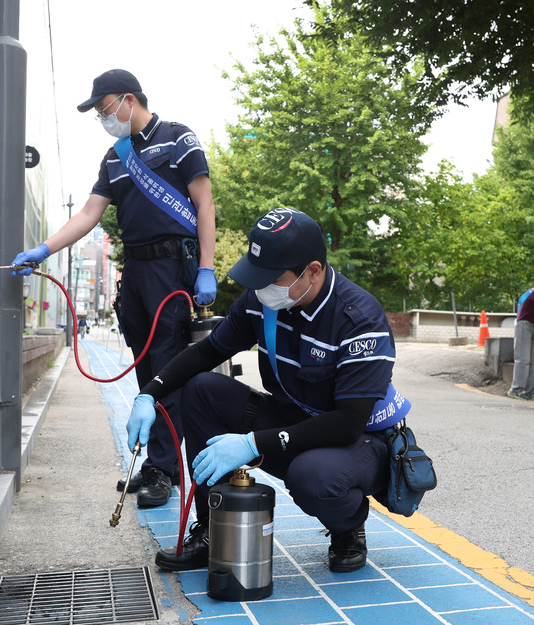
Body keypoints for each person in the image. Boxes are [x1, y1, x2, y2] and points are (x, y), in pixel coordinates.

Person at [125, 207, 410, 574]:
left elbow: (348, 423)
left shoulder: (358, 318)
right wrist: (149, 394)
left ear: (313, 272)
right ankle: (213, 529)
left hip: (358, 440)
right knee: (201, 390)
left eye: (272, 278)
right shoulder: (263, 302)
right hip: (294, 419)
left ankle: (348, 524)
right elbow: (209, 352)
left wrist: (252, 444)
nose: (261, 288)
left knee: (313, 478)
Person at [11, 69, 217, 508]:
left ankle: (165, 468)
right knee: (145, 368)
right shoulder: (114, 157)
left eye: (105, 110)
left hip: (171, 272)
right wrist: (44, 249)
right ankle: (157, 461)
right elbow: (89, 213)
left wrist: (206, 267)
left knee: (166, 367)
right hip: (137, 273)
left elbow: (204, 203)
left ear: (128, 99)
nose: (105, 118)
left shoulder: (179, 139)